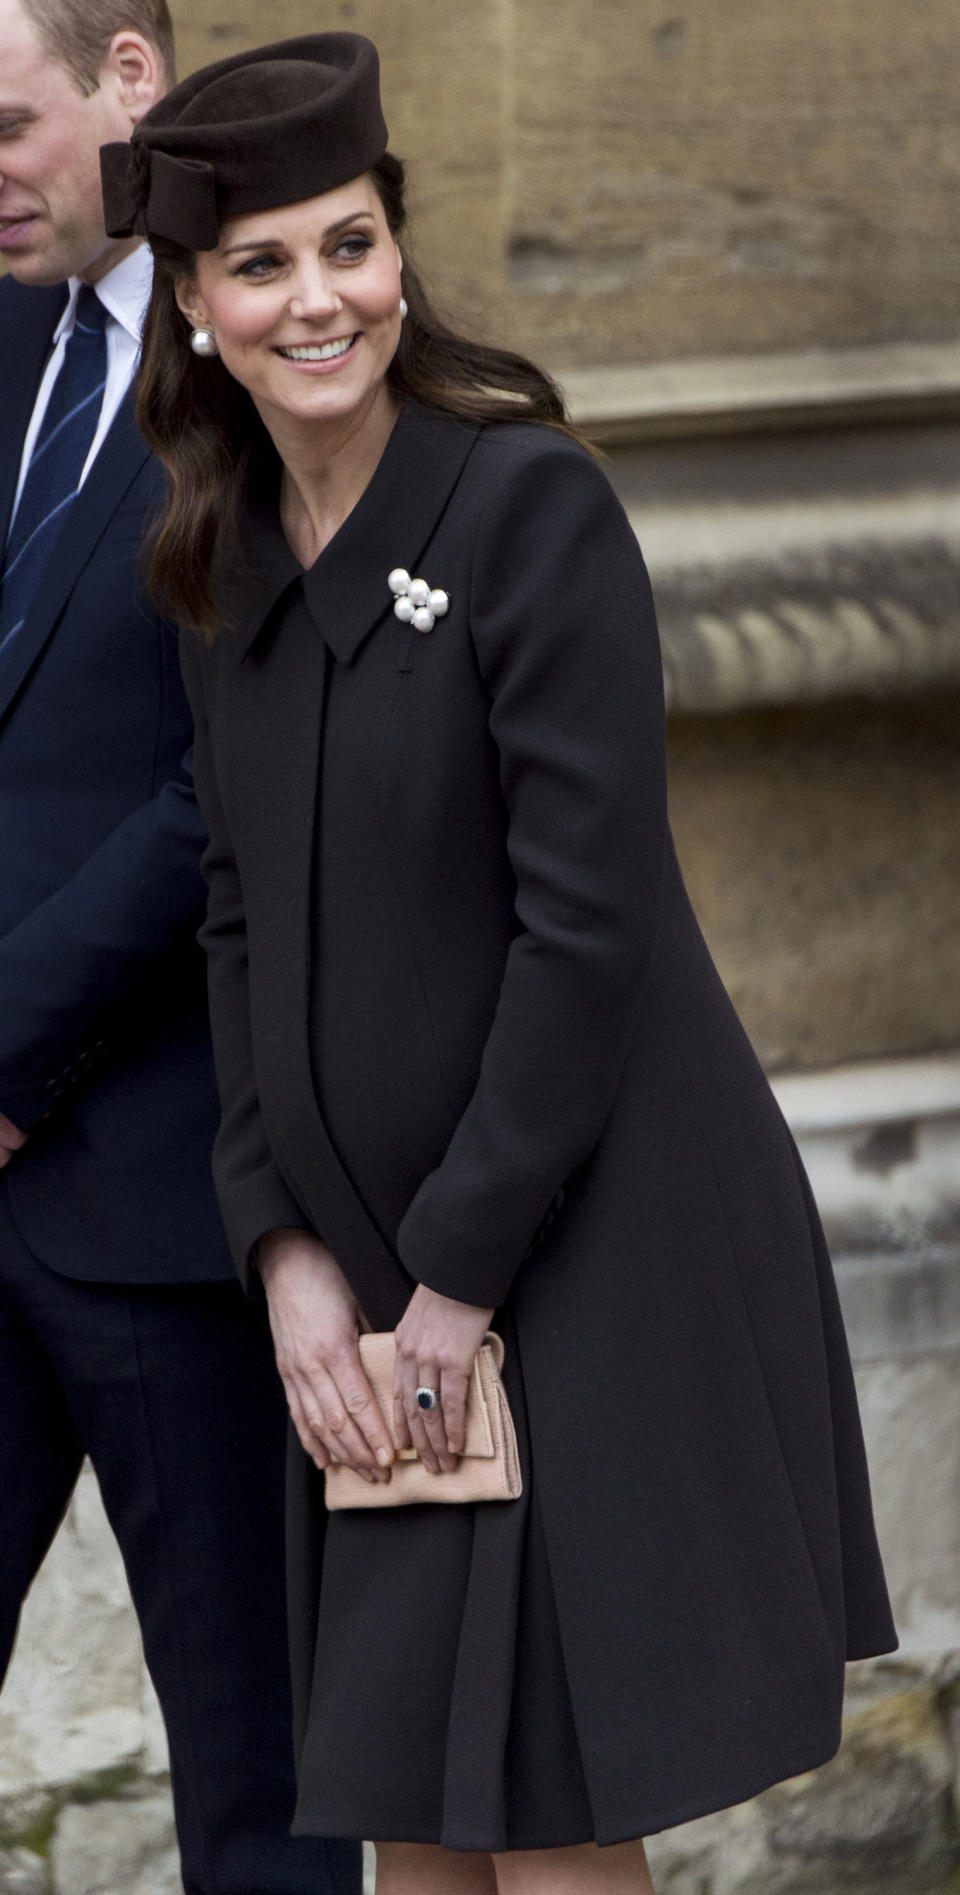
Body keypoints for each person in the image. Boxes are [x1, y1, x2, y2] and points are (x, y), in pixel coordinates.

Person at [103, 31, 897, 1895]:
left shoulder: (528, 511)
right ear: (199, 307)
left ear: (400, 253)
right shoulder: (221, 565)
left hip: (574, 1254)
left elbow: (586, 934)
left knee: (542, 1822)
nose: (324, 299)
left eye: (353, 243)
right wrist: (286, 1257)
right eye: (268, 263)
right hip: (373, 1291)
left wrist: (450, 1288)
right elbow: (233, 925)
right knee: (417, 1828)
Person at [0, 6, 362, 1892]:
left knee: (262, 1796)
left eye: (8, 126)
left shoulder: (280, 348)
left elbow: (225, 784)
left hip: (169, 1194)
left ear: (129, 78)